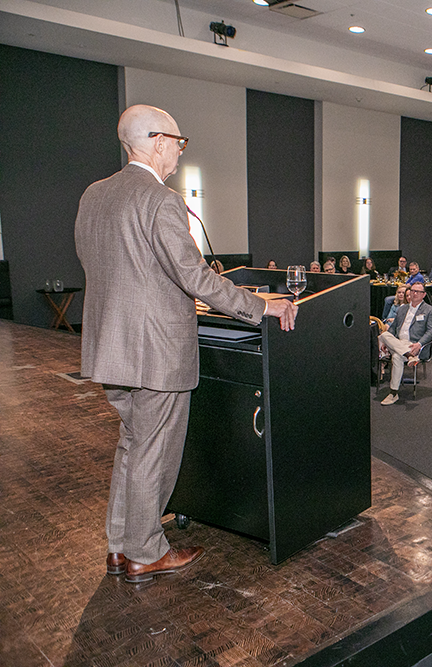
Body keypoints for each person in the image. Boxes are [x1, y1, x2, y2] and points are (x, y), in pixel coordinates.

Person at [75, 104, 297, 582]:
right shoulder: (161, 200)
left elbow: (105, 264)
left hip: (110, 349)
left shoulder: (94, 195)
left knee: (132, 448)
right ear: (157, 141)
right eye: (178, 141)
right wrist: (263, 307)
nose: (179, 149)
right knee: (153, 454)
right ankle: (144, 551)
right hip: (156, 353)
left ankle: (120, 545)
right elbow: (194, 276)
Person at [378, 283, 432, 405]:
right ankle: (409, 356)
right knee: (383, 335)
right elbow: (393, 328)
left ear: (424, 295)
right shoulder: (402, 308)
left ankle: (393, 393)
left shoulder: (429, 310)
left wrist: (419, 344)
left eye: (418, 292)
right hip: (399, 343)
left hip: (415, 345)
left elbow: (431, 332)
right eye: (413, 291)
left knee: (397, 356)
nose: (414, 293)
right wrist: (388, 342)